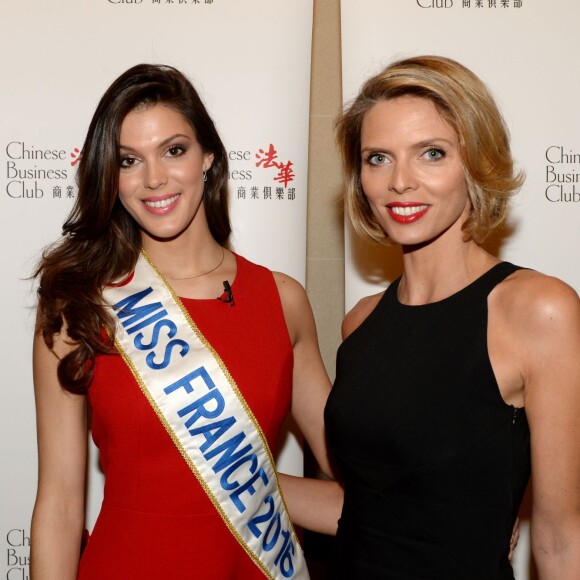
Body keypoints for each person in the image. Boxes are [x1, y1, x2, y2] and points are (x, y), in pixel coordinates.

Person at [30, 63, 340, 579]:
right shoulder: (78, 307)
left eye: (174, 150)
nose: (154, 178)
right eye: (129, 160)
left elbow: (358, 469)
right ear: (110, 174)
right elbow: (60, 507)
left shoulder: (281, 299)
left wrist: (463, 507)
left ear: (208, 157)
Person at [324, 55, 580, 579]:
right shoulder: (360, 324)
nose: (399, 182)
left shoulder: (537, 310)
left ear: (477, 163)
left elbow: (558, 538)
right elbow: (367, 510)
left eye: (431, 154)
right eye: (377, 158)